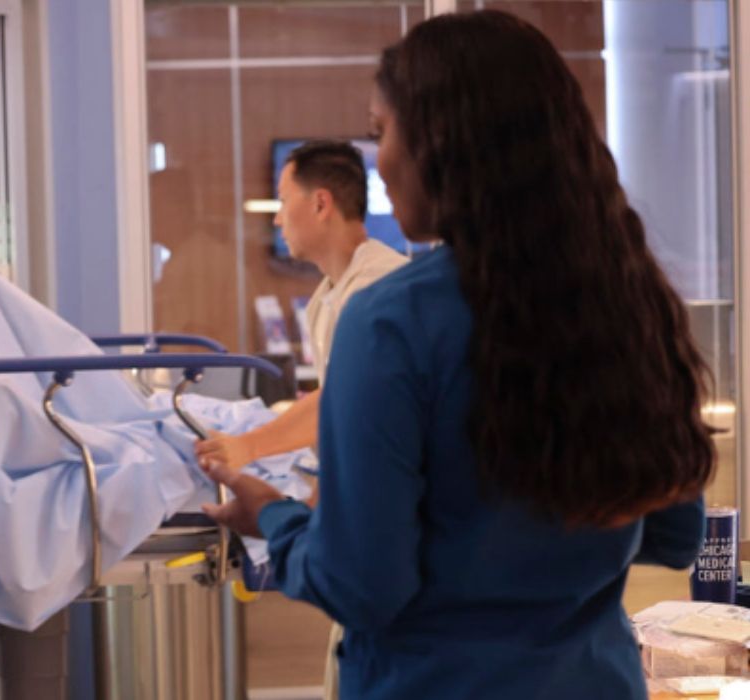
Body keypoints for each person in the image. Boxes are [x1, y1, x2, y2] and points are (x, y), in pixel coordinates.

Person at [203, 10, 711, 698]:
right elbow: (674, 536)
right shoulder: (630, 302)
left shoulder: (390, 323)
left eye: (382, 134)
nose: (379, 161)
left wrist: (271, 515)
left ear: (440, 144)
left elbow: (361, 585)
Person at [194, 140, 406, 471]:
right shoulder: (325, 300)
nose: (277, 219)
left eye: (283, 201)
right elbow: (339, 424)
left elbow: (343, 400)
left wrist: (246, 447)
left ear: (321, 204)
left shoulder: (381, 287)